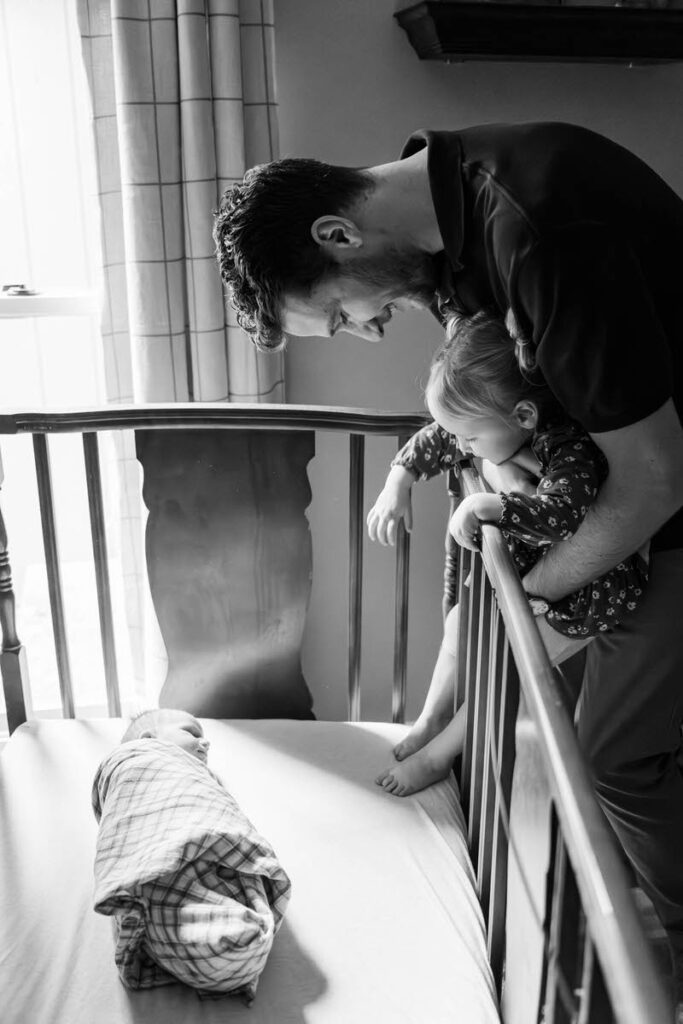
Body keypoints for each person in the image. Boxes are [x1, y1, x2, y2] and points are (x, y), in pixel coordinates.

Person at [213, 121, 683, 1011]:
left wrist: (525, 598)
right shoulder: (441, 231)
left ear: (336, 234)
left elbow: (655, 477)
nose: (366, 329)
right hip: (624, 492)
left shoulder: (540, 229)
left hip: (661, 501)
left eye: (340, 313)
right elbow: (511, 396)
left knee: (619, 757)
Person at [371, 310, 648, 796]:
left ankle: (440, 754)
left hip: (595, 592)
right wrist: (401, 477)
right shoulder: (497, 423)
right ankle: (432, 718)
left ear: (524, 416)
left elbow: (560, 514)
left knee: (509, 660)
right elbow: (442, 435)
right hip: (540, 573)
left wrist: (489, 502)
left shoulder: (569, 448)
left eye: (471, 440)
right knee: (461, 623)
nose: (462, 448)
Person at [92, 708, 291, 1002]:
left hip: (210, 840)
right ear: (149, 740)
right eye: (192, 733)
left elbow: (213, 806)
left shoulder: (200, 778)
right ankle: (209, 933)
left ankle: (221, 926)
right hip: (156, 850)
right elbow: (128, 815)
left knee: (218, 875)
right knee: (169, 887)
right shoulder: (136, 762)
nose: (206, 742)